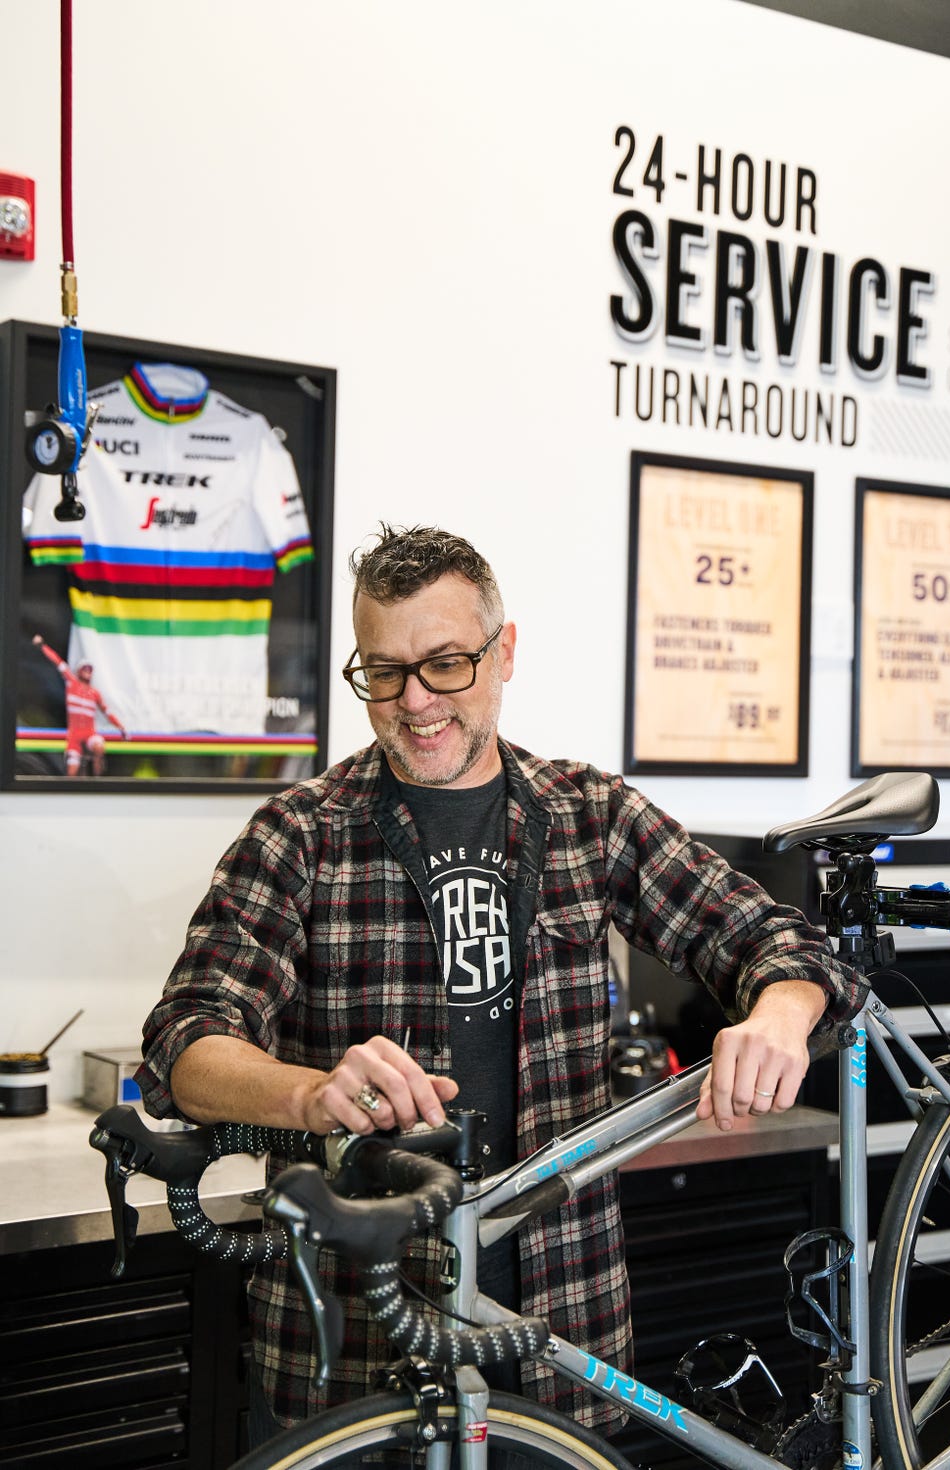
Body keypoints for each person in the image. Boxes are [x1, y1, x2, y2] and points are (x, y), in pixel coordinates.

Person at [136, 524, 864, 1448]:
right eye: (383, 672)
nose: (414, 701)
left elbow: (778, 942)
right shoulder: (300, 834)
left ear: (505, 650)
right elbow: (185, 1041)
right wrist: (309, 1093)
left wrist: (780, 1015)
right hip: (359, 1334)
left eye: (445, 663)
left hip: (560, 1321)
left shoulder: (588, 816)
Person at [32, 635, 127, 776]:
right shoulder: (72, 683)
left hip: (89, 733)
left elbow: (107, 713)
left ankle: (98, 782)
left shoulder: (95, 693)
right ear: (79, 670)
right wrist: (42, 646)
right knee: (72, 772)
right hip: (75, 736)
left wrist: (120, 727)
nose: (88, 671)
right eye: (85, 668)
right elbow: (58, 662)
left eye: (90, 669)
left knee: (98, 747)